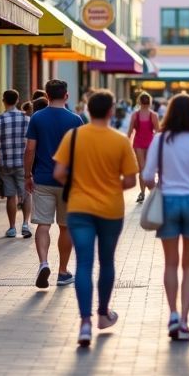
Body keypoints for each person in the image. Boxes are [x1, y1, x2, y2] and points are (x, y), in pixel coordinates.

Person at [52, 90, 137, 347]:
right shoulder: (120, 141)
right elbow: (131, 180)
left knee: (84, 264)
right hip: (110, 210)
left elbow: (58, 173)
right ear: (112, 111)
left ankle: (85, 323)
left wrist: (78, 185)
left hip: (79, 207)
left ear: (88, 110)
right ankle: (103, 314)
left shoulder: (74, 136)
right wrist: (110, 188)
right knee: (107, 262)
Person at [143, 94, 189, 341]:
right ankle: (185, 320)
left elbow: (146, 177)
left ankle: (172, 315)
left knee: (170, 263)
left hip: (167, 201)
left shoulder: (160, 140)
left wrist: (159, 187)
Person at [25, 79, 82, 288]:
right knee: (66, 227)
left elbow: (30, 149)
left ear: (47, 95)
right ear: (66, 95)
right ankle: (63, 271)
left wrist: (27, 175)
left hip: (42, 179)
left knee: (43, 224)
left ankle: (43, 263)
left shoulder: (37, 118)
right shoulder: (76, 120)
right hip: (67, 182)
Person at [0, 89, 32, 239]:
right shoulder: (26, 119)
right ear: (17, 101)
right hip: (22, 162)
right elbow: (30, 143)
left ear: (4, 100)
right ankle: (26, 225)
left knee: (10, 196)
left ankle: (12, 227)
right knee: (26, 194)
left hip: (6, 162)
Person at [128, 93, 157, 204]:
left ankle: (142, 192)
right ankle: (151, 193)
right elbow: (158, 131)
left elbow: (130, 131)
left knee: (142, 168)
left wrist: (126, 143)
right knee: (150, 168)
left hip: (139, 142)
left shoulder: (135, 115)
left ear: (139, 102)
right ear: (150, 102)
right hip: (150, 142)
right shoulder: (153, 115)